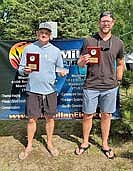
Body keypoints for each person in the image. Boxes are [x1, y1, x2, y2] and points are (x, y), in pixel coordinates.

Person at [75, 11, 125, 159]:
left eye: (109, 21)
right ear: (99, 23)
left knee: (106, 116)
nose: (106, 23)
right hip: (91, 85)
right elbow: (79, 62)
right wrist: (83, 61)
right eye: (103, 21)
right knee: (87, 115)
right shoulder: (89, 41)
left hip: (110, 87)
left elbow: (121, 63)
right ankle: (85, 142)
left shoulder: (118, 43)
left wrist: (118, 79)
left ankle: (104, 144)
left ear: (113, 23)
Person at [18, 22, 67, 160]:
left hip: (50, 91)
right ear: (37, 33)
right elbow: (21, 69)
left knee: (50, 118)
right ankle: (29, 145)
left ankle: (50, 143)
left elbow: (59, 69)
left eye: (47, 32)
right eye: (41, 32)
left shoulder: (56, 51)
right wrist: (24, 70)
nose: (44, 34)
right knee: (32, 119)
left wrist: (62, 73)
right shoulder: (29, 48)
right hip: (33, 90)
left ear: (50, 35)